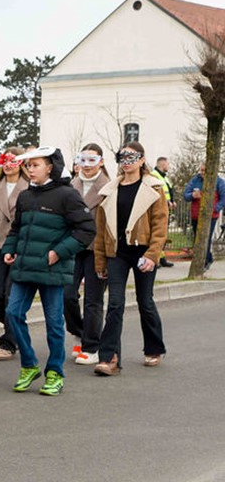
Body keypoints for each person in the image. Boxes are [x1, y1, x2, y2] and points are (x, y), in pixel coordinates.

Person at [2, 147, 95, 396]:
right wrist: (9, 249)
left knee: (54, 323)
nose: (30, 169)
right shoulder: (25, 196)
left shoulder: (67, 195)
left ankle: (55, 372)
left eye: (35, 165)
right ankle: (29, 365)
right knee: (12, 314)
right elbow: (16, 228)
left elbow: (86, 230)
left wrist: (59, 252)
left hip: (52, 269)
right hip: (24, 267)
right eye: (28, 165)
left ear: (50, 166)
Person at [93, 142, 168, 375]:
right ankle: (110, 357)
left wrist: (152, 255)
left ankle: (153, 348)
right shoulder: (110, 190)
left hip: (143, 251)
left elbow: (160, 225)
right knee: (115, 303)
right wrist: (100, 262)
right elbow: (101, 230)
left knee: (145, 301)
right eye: (122, 157)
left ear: (142, 160)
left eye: (131, 157)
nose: (127, 162)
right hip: (117, 253)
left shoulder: (154, 189)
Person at [62, 144, 111, 365]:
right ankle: (78, 332)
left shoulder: (109, 186)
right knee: (67, 294)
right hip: (73, 246)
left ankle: (92, 346)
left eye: (92, 160)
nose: (87, 165)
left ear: (101, 161)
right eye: (83, 159)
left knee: (93, 299)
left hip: (96, 247)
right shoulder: (72, 185)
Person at [0, 148, 29, 361]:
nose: (8, 164)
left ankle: (9, 341)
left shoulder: (28, 187)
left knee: (10, 294)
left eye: (13, 161)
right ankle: (14, 328)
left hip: (20, 247)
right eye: (5, 160)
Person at [183, 162, 225, 271]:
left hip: (211, 216)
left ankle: (204, 262)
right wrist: (192, 195)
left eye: (204, 171)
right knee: (198, 239)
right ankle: (209, 258)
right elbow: (185, 195)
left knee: (206, 238)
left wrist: (215, 208)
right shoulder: (195, 180)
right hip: (196, 215)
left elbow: (223, 198)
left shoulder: (219, 182)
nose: (202, 173)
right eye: (201, 170)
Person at [150, 156, 175, 268]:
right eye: (167, 164)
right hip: (159, 208)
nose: (168, 166)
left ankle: (161, 257)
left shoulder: (164, 177)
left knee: (163, 234)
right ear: (162, 164)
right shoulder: (154, 175)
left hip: (166, 208)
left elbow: (168, 191)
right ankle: (156, 258)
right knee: (157, 232)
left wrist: (171, 202)